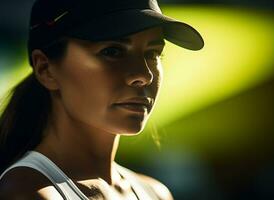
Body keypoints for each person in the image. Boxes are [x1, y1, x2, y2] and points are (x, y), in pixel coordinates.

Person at [0, 0, 204, 199]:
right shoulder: (26, 193)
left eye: (153, 53)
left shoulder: (156, 193)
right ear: (46, 69)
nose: (144, 75)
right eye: (113, 51)